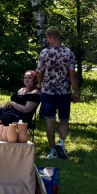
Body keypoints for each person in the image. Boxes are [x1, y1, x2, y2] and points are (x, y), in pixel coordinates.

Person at [36, 27, 80, 160]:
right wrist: (76, 91)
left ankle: (52, 150)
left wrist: (39, 84)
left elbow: (39, 72)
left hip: (48, 91)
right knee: (64, 119)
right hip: (64, 91)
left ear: (49, 37)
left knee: (50, 120)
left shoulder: (45, 53)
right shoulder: (68, 53)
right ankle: (61, 143)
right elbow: (72, 74)